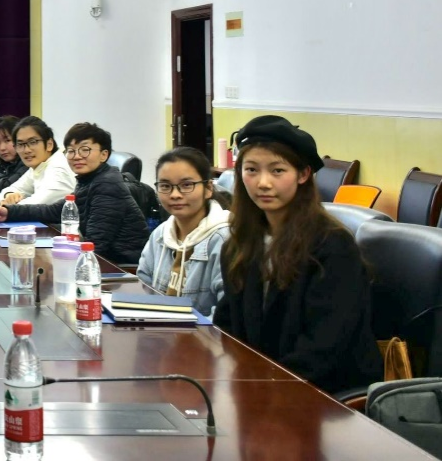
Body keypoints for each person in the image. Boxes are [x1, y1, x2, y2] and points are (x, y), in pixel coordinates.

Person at [213, 115, 381, 393]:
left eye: (277, 171)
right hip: (263, 383)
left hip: (322, 394)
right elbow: (228, 323)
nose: (263, 182)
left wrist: (263, 386)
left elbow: (324, 347)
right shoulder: (239, 244)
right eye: (251, 169)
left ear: (303, 175)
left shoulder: (332, 245)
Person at [0, 121, 149, 265]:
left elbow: (96, 245)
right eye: (71, 151)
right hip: (103, 260)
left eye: (84, 150)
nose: (76, 156)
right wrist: (9, 212)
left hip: (120, 268)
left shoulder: (107, 184)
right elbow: (55, 210)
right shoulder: (89, 180)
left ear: (104, 155)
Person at [135, 147, 230, 316]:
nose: (175, 194)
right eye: (165, 186)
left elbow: (225, 317)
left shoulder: (225, 240)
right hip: (160, 328)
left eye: (186, 185)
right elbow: (143, 290)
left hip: (203, 332)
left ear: (208, 188)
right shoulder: (160, 234)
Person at [0, 115, 76, 206]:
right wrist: (9, 195)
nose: (26, 150)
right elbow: (8, 191)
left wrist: (5, 206)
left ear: (49, 144)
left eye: (33, 142)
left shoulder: (59, 168)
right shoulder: (38, 167)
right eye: (20, 144)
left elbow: (39, 204)